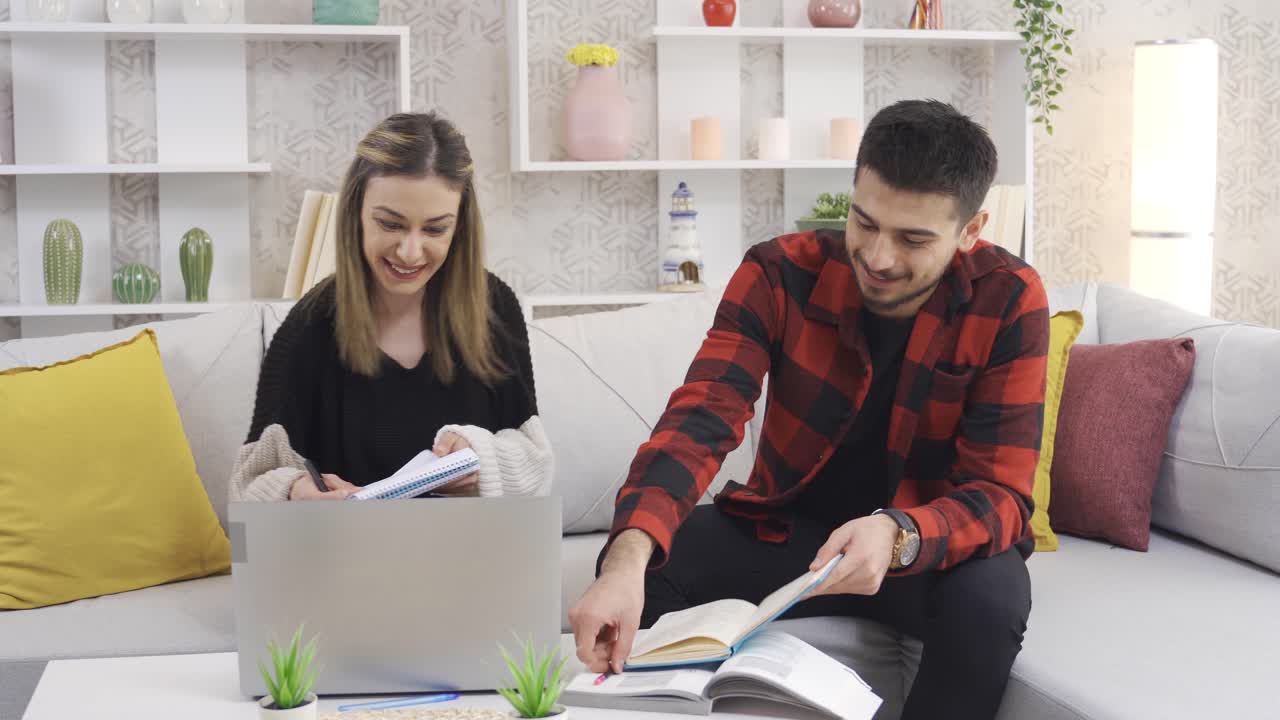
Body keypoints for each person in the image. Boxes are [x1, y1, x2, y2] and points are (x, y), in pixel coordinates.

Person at [569, 99, 1048, 720]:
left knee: (993, 597)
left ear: (971, 231)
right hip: (791, 536)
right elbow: (702, 417)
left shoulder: (1010, 298)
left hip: (923, 551)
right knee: (653, 565)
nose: (878, 258)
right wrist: (624, 558)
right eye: (865, 222)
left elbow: (1002, 495)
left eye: (913, 239)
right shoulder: (777, 272)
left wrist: (900, 533)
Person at [230, 111, 552, 502]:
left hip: (469, 550)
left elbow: (537, 465)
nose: (410, 252)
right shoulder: (310, 324)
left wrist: (482, 459)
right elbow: (249, 483)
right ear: (357, 216)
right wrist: (296, 492)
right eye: (390, 224)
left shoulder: (495, 306)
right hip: (350, 554)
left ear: (460, 226)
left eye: (435, 229)